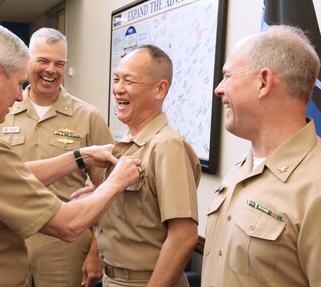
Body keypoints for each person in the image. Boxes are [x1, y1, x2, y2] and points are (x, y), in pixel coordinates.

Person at [0, 21, 142, 287]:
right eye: (18, 82)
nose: (20, 97)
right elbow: (68, 224)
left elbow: (4, 176)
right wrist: (117, 181)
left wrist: (79, 157)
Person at [0, 27, 114, 287]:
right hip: (7, 244)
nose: (51, 70)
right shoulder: (1, 112)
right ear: (26, 62)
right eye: (43, 61)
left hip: (64, 248)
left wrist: (95, 253)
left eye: (59, 63)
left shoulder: (88, 117)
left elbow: (110, 190)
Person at [201, 25, 321, 287]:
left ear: (263, 82)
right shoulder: (241, 169)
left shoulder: (316, 186)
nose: (219, 89)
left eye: (227, 75)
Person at [91, 44, 201, 286]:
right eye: (117, 79)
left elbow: (183, 237)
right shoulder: (130, 144)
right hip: (113, 278)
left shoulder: (167, 146)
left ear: (160, 89)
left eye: (129, 81)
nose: (118, 89)